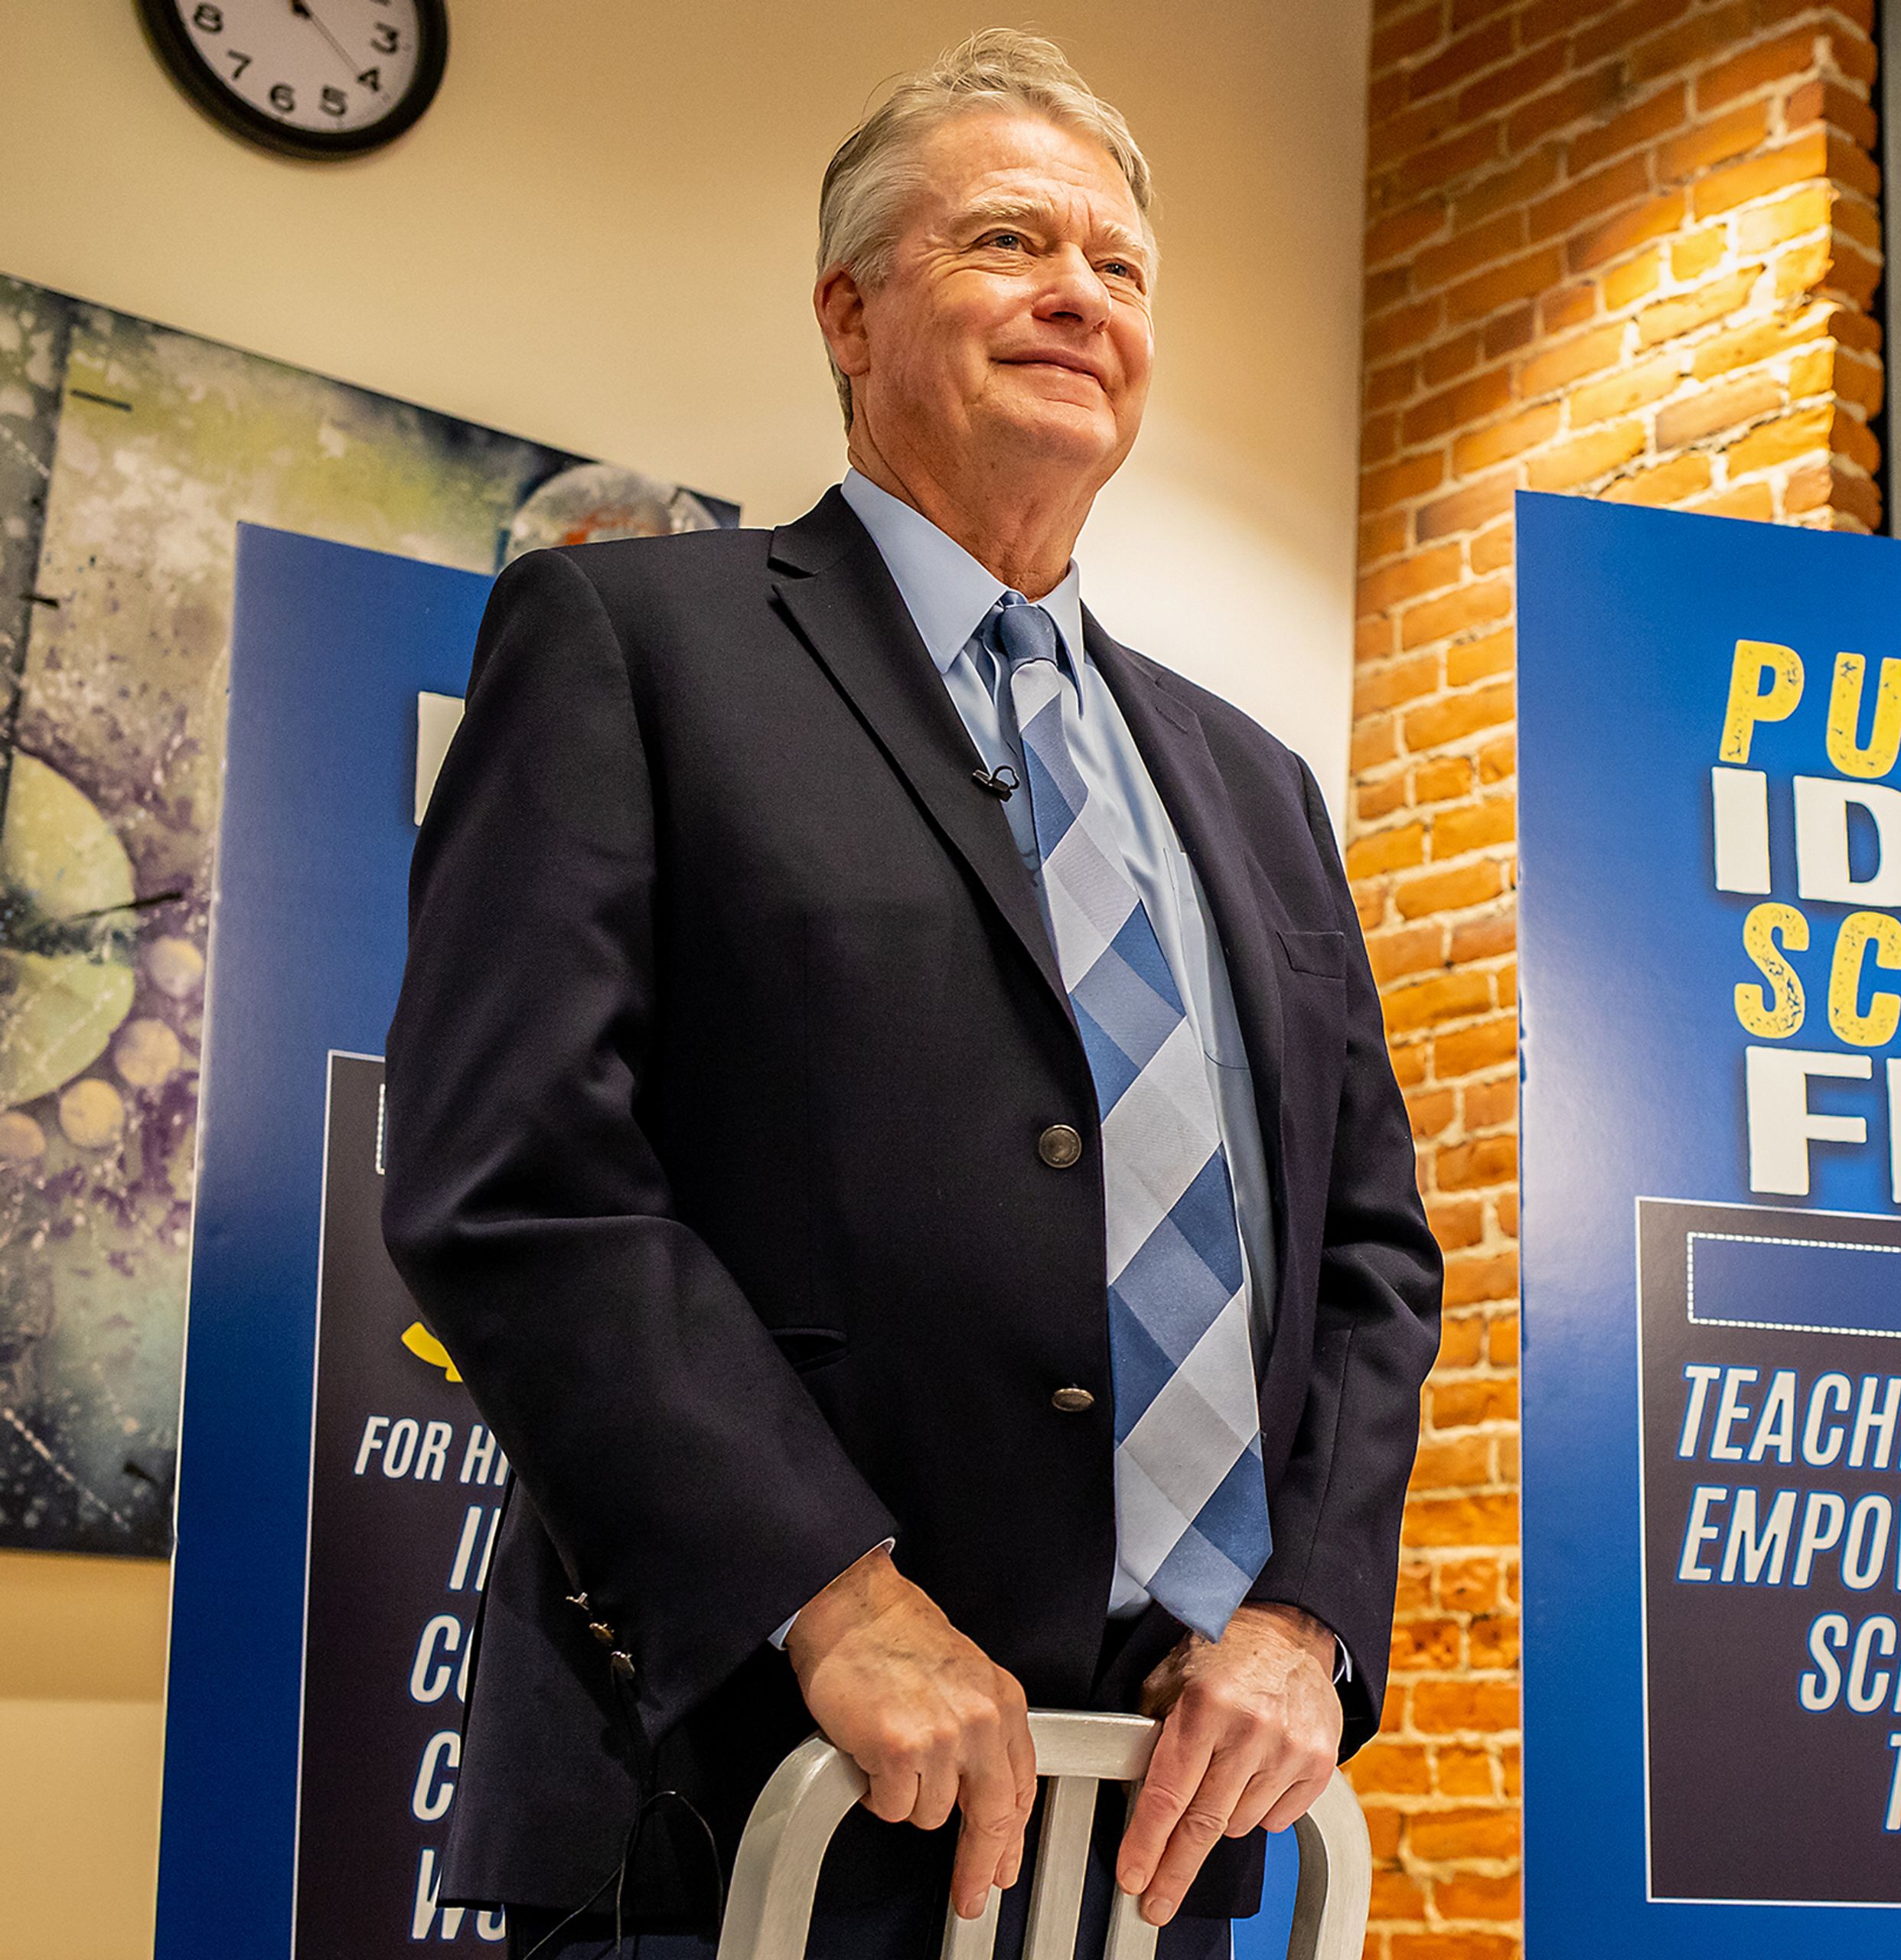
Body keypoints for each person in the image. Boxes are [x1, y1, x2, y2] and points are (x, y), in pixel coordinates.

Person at [381, 31, 1443, 1959]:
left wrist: (1307, 1624)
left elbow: (1372, 1261)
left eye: (1119, 269)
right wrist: (833, 1591)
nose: (1078, 296)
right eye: (1010, 243)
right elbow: (515, 1177)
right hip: (749, 1801)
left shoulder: (1255, 785)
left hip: (1163, 1835)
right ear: (847, 312)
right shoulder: (634, 647)